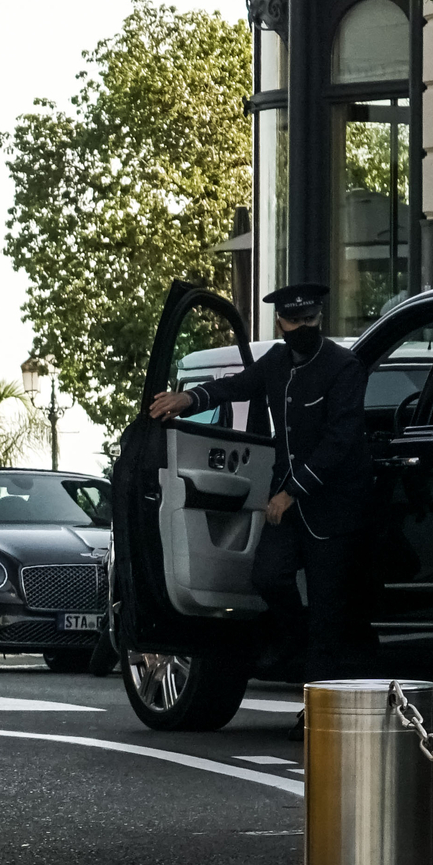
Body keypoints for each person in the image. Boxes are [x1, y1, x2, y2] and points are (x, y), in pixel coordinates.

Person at [148, 281, 376, 684]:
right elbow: (234, 386)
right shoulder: (276, 361)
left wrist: (292, 491)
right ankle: (292, 638)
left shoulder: (344, 366)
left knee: (327, 609)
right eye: (294, 320)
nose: (303, 326)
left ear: (319, 317)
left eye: (310, 318)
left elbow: (339, 441)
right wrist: (189, 400)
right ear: (281, 321)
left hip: (331, 507)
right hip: (286, 500)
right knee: (267, 576)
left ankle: (314, 709)